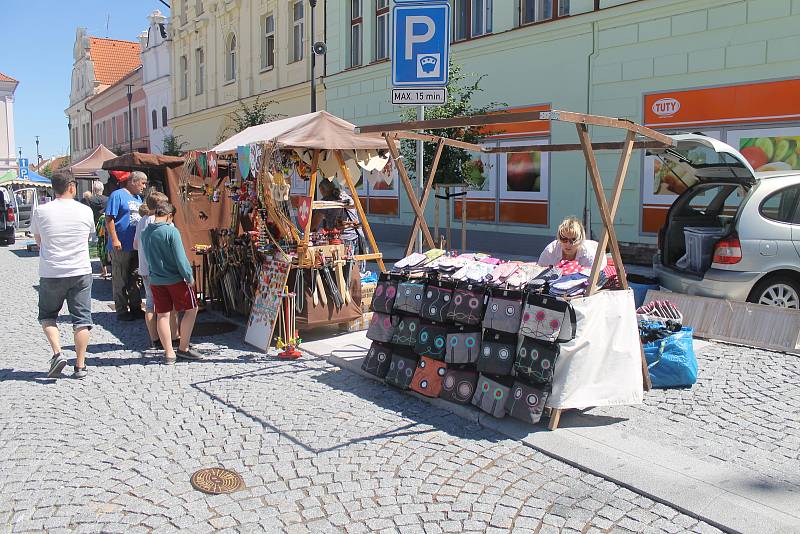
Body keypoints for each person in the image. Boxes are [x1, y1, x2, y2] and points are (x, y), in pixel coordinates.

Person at [31, 174, 95, 379]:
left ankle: (57, 353)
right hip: (80, 270)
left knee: (48, 315)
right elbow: (87, 238)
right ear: (72, 187)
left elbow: (39, 241)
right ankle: (80, 365)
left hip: (52, 271)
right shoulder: (85, 210)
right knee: (82, 319)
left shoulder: (41, 211)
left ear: (53, 189)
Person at [141, 201, 203, 364]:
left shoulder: (146, 232)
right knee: (192, 309)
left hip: (156, 279)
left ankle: (169, 353)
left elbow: (147, 257)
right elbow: (180, 258)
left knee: (162, 314)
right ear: (169, 216)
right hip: (175, 279)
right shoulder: (171, 232)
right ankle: (183, 348)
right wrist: (189, 276)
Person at [133, 190, 179, 349]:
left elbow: (135, 244)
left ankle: (155, 339)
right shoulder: (164, 222)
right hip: (161, 269)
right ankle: (173, 337)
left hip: (145, 268)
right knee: (168, 306)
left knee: (150, 303)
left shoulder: (142, 221)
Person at [105, 171, 146, 321]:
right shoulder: (117, 195)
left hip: (135, 244)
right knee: (120, 277)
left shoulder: (138, 198)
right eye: (143, 183)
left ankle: (136, 306)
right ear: (133, 182)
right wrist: (115, 239)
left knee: (135, 277)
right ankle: (122, 309)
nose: (144, 186)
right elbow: (109, 218)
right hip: (121, 244)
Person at [315, 179, 366, 264]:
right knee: (356, 269)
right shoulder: (345, 196)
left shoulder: (328, 200)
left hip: (343, 239)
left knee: (345, 267)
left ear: (324, 190)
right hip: (356, 235)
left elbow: (315, 223)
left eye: (321, 192)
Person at [538, 216, 607, 270]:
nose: (568, 244)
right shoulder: (550, 251)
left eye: (573, 240)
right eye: (564, 239)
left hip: (597, 251)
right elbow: (540, 270)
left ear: (581, 240)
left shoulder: (589, 255)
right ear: (558, 238)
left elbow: (590, 278)